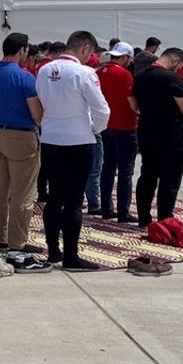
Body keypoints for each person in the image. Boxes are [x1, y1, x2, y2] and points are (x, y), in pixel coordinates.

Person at [35, 31, 110, 271]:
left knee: (55, 196)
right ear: (86, 49)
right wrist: (93, 129)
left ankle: (53, 250)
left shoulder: (44, 69)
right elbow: (102, 110)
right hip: (78, 140)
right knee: (75, 201)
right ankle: (71, 255)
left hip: (51, 138)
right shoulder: (84, 72)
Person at [0, 33, 44, 252]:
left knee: (0, 188)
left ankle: (0, 236)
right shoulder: (25, 78)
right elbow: (37, 115)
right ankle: (18, 242)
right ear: (23, 49)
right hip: (21, 135)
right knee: (22, 193)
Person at [134, 48, 183, 227]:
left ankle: (143, 217)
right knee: (170, 179)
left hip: (147, 132)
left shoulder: (140, 76)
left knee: (147, 176)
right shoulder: (173, 79)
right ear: (175, 61)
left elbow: (134, 104)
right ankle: (165, 218)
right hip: (171, 135)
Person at [97, 42, 139, 223]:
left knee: (107, 167)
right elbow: (132, 104)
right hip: (125, 126)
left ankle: (106, 207)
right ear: (125, 57)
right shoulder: (125, 75)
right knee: (125, 171)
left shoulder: (98, 72)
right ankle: (123, 212)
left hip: (105, 125)